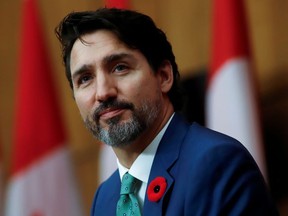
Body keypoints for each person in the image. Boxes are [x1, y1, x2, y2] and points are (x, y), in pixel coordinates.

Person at [55, 8, 278, 216]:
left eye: (120, 67)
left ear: (163, 76)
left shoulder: (216, 164)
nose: (103, 92)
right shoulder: (105, 197)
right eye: (85, 79)